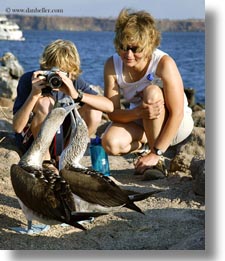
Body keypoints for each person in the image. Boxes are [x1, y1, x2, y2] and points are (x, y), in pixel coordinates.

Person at [101, 9, 194, 179]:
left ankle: (157, 159)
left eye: (135, 48)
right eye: (123, 47)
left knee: (151, 92)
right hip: (144, 121)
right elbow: (112, 113)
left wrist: (156, 152)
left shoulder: (164, 63)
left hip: (176, 126)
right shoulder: (112, 65)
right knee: (110, 142)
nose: (128, 54)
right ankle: (147, 143)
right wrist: (138, 113)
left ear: (149, 45)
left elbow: (178, 113)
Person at [13, 39, 113, 171]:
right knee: (45, 103)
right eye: (51, 71)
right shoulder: (30, 79)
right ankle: (46, 160)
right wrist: (34, 95)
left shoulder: (73, 81)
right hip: (34, 143)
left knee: (94, 111)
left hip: (61, 141)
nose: (56, 78)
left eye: (61, 73)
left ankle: (66, 156)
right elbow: (17, 128)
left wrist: (76, 95)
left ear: (71, 72)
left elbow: (109, 107)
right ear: (44, 68)